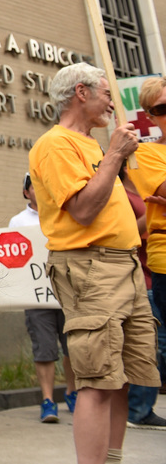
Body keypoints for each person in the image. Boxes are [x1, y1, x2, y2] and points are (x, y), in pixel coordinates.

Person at [28, 63, 161, 464]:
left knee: (120, 378)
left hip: (125, 267)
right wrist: (117, 156)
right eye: (106, 93)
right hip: (90, 268)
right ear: (81, 93)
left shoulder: (94, 146)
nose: (112, 103)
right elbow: (84, 211)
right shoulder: (55, 145)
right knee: (98, 380)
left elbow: (111, 216)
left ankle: (111, 459)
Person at [11, 172, 77, 424]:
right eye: (34, 187)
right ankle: (48, 401)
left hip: (68, 296)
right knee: (44, 349)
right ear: (26, 192)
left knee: (72, 347)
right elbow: (10, 253)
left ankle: (72, 393)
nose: (40, 191)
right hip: (37, 298)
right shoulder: (18, 221)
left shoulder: (66, 215)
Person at [123, 75, 166, 429]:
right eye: (161, 109)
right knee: (156, 341)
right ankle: (139, 409)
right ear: (151, 115)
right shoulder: (148, 153)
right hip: (158, 265)